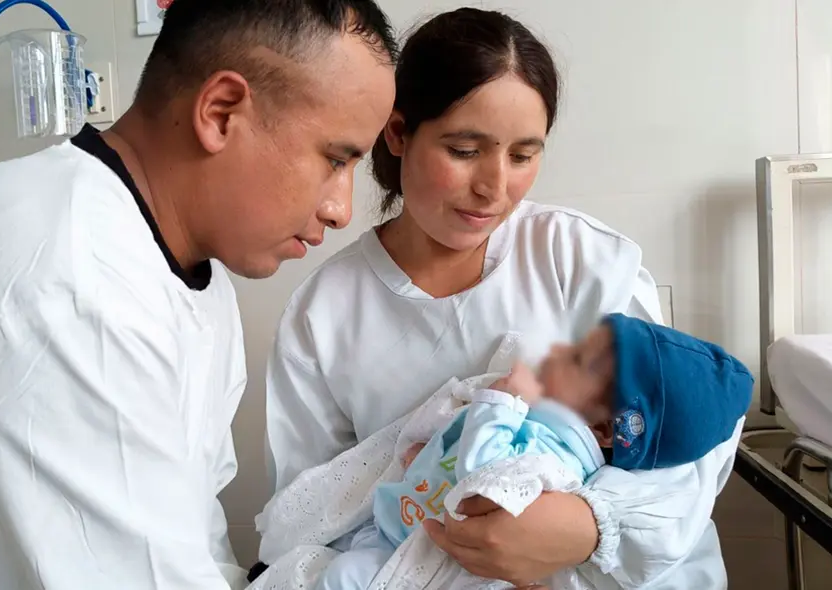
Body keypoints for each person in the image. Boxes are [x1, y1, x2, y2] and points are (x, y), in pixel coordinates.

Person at [0, 1, 396, 589]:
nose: (340, 209)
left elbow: (183, 536)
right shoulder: (61, 275)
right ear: (221, 112)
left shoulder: (189, 279)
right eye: (335, 159)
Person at [263, 7, 743, 589]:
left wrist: (589, 524)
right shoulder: (326, 313)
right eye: (465, 150)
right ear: (397, 132)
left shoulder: (580, 258)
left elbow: (693, 434)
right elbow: (311, 515)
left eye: (522, 155)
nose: (495, 187)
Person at [317, 313, 755, 589]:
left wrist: (503, 401)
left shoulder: (556, 456)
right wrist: (426, 458)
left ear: (604, 428)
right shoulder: (543, 426)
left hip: (427, 557)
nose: (560, 350)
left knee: (342, 578)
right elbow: (459, 448)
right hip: (398, 525)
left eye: (579, 360)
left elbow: (481, 477)